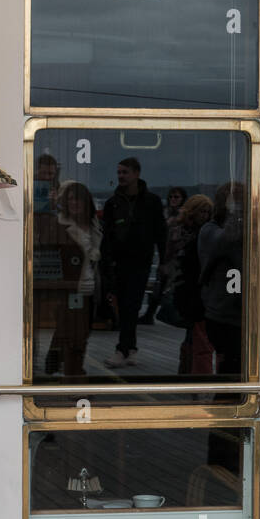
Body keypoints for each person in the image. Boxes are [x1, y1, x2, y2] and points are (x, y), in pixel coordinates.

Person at [101, 157, 166, 368]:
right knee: (126, 306)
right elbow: (107, 236)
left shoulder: (152, 202)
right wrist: (106, 262)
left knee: (131, 305)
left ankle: (122, 349)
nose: (120, 176)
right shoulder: (113, 204)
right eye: (119, 172)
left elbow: (161, 233)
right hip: (118, 263)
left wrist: (164, 261)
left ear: (136, 173)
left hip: (141, 262)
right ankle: (131, 349)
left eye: (125, 172)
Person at [44, 181, 102, 375]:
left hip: (91, 288)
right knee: (75, 338)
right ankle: (74, 376)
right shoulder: (59, 226)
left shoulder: (96, 226)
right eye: (70, 200)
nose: (74, 203)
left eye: (78, 199)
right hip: (70, 288)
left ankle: (54, 360)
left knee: (78, 334)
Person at [198, 181, 245, 377]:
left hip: (233, 312)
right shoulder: (210, 231)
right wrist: (239, 212)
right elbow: (227, 239)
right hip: (223, 314)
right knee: (230, 368)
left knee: (235, 366)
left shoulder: (211, 230)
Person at [172, 194, 214, 374]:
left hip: (186, 287)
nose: (204, 215)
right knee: (200, 338)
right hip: (192, 290)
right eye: (201, 211)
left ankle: (185, 371)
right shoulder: (202, 234)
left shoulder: (178, 230)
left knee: (192, 335)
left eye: (207, 212)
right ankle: (199, 377)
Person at [139, 185, 188, 325]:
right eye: (171, 197)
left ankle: (172, 314)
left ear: (182, 199)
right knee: (160, 284)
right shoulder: (165, 212)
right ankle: (150, 314)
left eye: (176, 197)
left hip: (178, 255)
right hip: (164, 252)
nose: (173, 199)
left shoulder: (184, 215)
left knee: (171, 285)